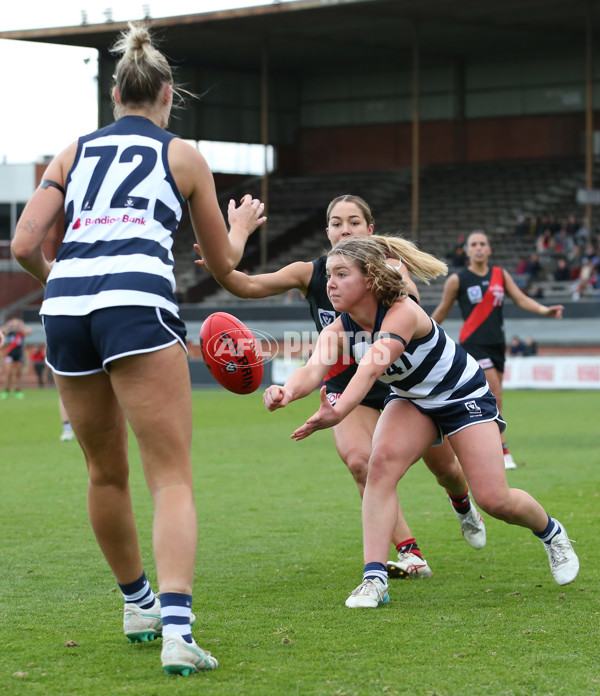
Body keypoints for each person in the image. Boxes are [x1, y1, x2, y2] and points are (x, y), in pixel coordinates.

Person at [10, 22, 265, 677]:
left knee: (104, 472)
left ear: (117, 95)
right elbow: (228, 268)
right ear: (167, 96)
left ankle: (137, 605)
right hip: (136, 301)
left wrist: (59, 283)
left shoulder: (72, 152)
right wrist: (236, 228)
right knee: (170, 475)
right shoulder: (183, 156)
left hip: (65, 307)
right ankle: (177, 632)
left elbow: (21, 246)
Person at [263, 236, 579, 608]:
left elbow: (370, 368)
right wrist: (285, 391)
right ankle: (374, 579)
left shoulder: (402, 312)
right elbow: (314, 367)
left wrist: (340, 409)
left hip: (463, 396)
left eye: (341, 274)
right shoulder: (339, 327)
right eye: (329, 274)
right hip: (413, 400)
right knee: (379, 468)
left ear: (369, 280)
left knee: (495, 499)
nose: (329, 283)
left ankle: (551, 532)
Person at [196, 195, 486, 580]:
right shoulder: (311, 273)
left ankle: (463, 505)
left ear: (370, 229)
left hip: (404, 383)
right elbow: (243, 284)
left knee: (447, 468)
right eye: (336, 223)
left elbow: (409, 307)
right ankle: (409, 553)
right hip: (345, 384)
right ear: (327, 231)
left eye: (353, 222)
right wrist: (234, 239)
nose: (344, 229)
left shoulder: (388, 270)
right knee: (360, 463)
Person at [431, 231, 564, 470]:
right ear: (468, 250)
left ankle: (467, 444)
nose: (479, 248)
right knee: (496, 393)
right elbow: (441, 312)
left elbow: (522, 300)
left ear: (489, 249)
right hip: (473, 344)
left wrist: (546, 311)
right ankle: (502, 450)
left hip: (496, 346)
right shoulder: (458, 280)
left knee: (487, 399)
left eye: (483, 244)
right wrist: (414, 330)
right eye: (474, 244)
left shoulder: (500, 275)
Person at [1, 317, 32, 399]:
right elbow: (2, 331)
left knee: (18, 374)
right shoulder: (10, 333)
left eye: (16, 325)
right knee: (8, 374)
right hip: (10, 355)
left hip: (19, 355)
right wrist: (8, 324)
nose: (15, 327)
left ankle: (18, 391)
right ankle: (6, 391)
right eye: (14, 325)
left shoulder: (21, 334)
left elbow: (29, 331)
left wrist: (22, 324)